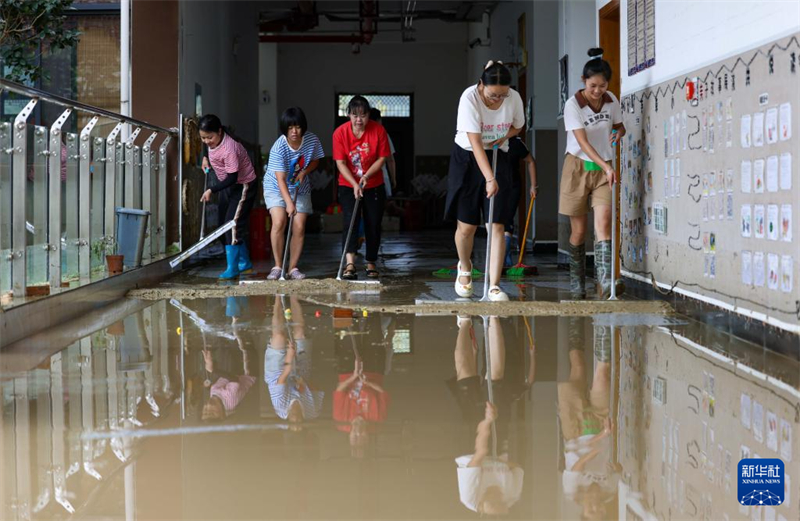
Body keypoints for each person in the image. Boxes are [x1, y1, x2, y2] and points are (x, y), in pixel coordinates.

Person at [445, 61, 525, 301]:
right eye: (493, 95)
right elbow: (476, 142)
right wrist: (489, 178)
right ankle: (465, 267)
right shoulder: (469, 98)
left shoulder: (514, 97)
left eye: (503, 94)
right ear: (481, 85)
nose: (498, 99)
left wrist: (503, 137)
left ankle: (494, 285)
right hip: (468, 157)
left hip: (498, 154)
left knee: (497, 224)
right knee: (467, 226)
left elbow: (518, 126)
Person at [560, 48, 626, 298]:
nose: (597, 91)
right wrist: (607, 165)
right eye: (592, 85)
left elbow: (620, 127)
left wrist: (618, 133)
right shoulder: (572, 105)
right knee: (578, 231)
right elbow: (583, 143)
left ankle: (605, 283)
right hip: (578, 167)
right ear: (583, 81)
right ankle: (577, 283)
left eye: (602, 85)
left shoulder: (611, 100)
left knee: (604, 225)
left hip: (603, 171)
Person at [333, 96, 391, 280]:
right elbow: (340, 163)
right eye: (355, 115)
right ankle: (350, 263)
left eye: (363, 115)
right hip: (347, 184)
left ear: (368, 116)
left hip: (374, 183)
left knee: (373, 223)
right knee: (350, 221)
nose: (359, 120)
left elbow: (382, 159)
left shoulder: (378, 130)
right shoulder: (340, 133)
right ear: (348, 114)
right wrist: (354, 183)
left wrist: (365, 177)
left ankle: (371, 262)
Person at [263, 107, 325, 280]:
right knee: (279, 222)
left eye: (297, 127)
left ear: (303, 127)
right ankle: (277, 266)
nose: (294, 132)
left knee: (298, 226)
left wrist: (305, 172)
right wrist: (289, 203)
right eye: (290, 128)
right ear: (285, 129)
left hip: (300, 186)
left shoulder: (312, 140)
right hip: (276, 187)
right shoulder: (278, 147)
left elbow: (316, 160)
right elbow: (280, 179)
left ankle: (292, 268)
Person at [199, 114, 258, 280]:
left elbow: (233, 178)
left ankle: (232, 268)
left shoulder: (229, 148)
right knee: (222, 225)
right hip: (227, 185)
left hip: (243, 185)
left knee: (232, 226)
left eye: (210, 137)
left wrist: (212, 189)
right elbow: (207, 145)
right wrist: (205, 157)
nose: (207, 141)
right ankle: (244, 262)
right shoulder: (211, 139)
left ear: (219, 131)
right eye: (203, 137)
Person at [264, 295, 324, 424]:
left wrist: (290, 355)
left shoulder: (281, 408)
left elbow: (282, 378)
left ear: (289, 420)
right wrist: (304, 384)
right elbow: (318, 389)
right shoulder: (312, 411)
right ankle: (293, 296)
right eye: (299, 422)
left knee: (279, 336)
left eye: (293, 422)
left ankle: (277, 298)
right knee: (300, 333)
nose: (296, 418)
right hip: (301, 374)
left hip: (277, 374)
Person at [503, 136, 538, 267]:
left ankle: (503, 258)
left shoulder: (516, 143)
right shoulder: (491, 140)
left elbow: (531, 161)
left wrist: (534, 185)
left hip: (512, 186)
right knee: (496, 222)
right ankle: (503, 257)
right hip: (494, 187)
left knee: (507, 220)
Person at [369, 108, 397, 197]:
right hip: (382, 177)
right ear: (378, 120)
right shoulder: (384, 135)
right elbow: (390, 160)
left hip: (364, 178)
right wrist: (393, 179)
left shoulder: (360, 135)